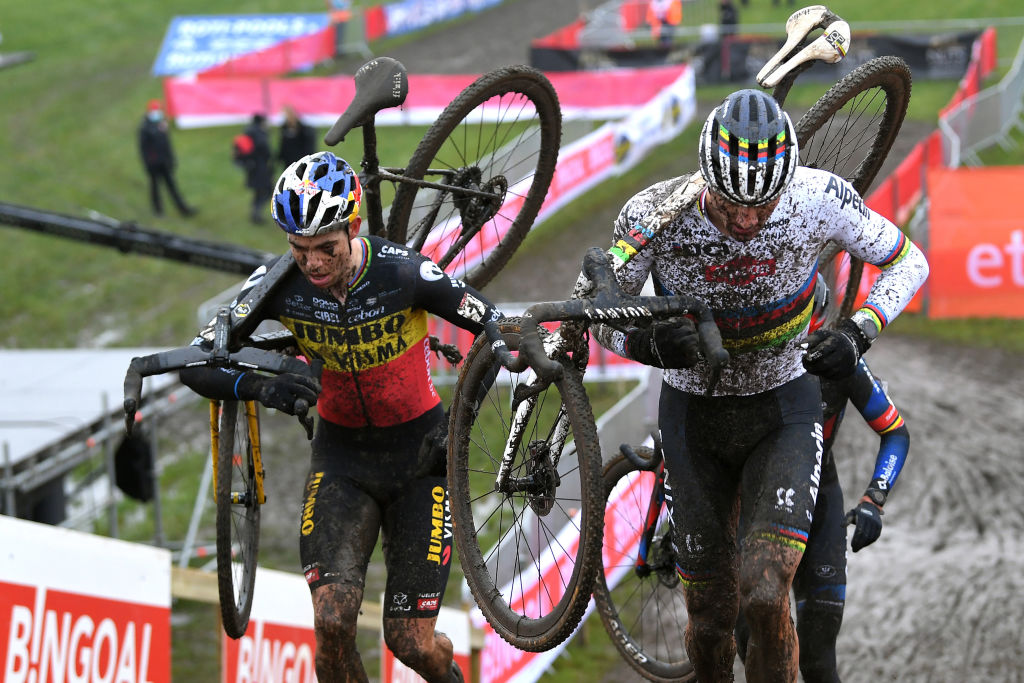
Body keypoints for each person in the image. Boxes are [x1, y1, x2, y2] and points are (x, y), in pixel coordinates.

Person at [592, 89, 928, 681]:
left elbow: (909, 261)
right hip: (693, 416)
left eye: (763, 206)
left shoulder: (818, 197)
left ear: (786, 182)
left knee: (768, 595)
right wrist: (645, 344)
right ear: (706, 181)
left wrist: (858, 332)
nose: (747, 221)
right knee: (710, 622)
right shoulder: (655, 213)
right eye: (731, 207)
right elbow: (595, 309)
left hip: (782, 408)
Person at [179, 151, 499, 682]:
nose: (312, 264)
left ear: (353, 227)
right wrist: (263, 387)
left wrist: (462, 418)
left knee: (412, 643)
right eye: (298, 248)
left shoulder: (402, 271)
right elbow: (195, 361)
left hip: (420, 462)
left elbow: (497, 327)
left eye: (325, 248)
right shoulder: (277, 281)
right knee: (331, 621)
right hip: (341, 462)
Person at [735, 280, 911, 683]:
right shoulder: (750, 360)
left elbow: (896, 432)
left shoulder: (839, 359)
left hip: (819, 503)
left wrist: (874, 498)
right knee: (755, 647)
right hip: (753, 505)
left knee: (818, 660)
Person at [137, 99, 196, 217]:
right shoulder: (145, 127)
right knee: (155, 187)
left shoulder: (161, 125)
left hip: (164, 162)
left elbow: (167, 145)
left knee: (172, 186)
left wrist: (171, 159)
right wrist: (148, 163)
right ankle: (158, 211)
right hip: (153, 164)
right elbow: (143, 148)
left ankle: (183, 209)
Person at [234, 113, 273, 224]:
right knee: (267, 190)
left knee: (259, 191)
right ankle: (256, 213)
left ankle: (255, 212)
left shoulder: (248, 132)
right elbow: (265, 150)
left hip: (252, 166)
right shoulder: (259, 134)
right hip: (260, 167)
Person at [277, 105, 317, 172]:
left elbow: (307, 146)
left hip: (300, 160)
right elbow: (283, 145)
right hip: (288, 161)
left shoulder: (302, 129)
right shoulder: (284, 128)